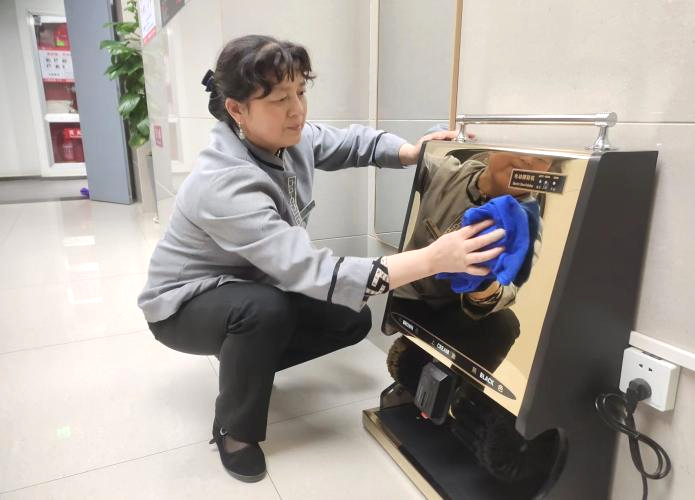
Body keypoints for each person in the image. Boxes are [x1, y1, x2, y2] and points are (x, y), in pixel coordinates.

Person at [137, 34, 504, 483]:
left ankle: (247, 363)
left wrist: (412, 151)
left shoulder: (285, 138)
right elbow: (312, 271)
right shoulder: (224, 181)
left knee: (350, 318)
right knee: (261, 311)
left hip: (250, 283)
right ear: (236, 109)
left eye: (300, 92)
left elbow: (350, 143)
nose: (297, 110)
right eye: (279, 99)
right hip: (183, 304)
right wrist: (432, 259)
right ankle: (235, 430)